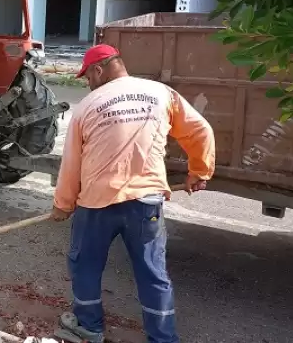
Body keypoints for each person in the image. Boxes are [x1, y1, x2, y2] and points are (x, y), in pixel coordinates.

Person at [51, 44, 215, 343]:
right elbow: (200, 130)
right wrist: (199, 171)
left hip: (97, 204)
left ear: (98, 70)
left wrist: (63, 205)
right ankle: (163, 338)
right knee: (152, 273)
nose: (87, 83)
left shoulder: (87, 106)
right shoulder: (162, 93)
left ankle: (89, 326)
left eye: (87, 76)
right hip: (145, 203)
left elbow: (71, 164)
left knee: (85, 264)